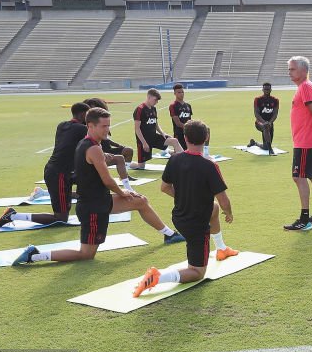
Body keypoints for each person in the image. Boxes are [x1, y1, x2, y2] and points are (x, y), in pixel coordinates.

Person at [12, 107, 185, 266]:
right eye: (103, 126)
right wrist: (122, 192)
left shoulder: (91, 144)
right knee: (86, 254)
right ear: (90, 126)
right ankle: (34, 255)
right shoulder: (93, 148)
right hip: (93, 208)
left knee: (141, 201)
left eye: (108, 125)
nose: (107, 130)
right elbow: (107, 180)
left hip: (100, 201)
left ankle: (170, 235)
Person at [133, 120, 238, 297]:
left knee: (213, 208)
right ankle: (158, 277)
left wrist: (185, 198)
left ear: (184, 138)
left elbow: (164, 187)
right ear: (207, 138)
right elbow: (224, 200)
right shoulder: (209, 165)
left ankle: (221, 249)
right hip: (196, 224)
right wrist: (229, 213)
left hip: (179, 218)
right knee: (197, 272)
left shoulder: (174, 159)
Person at [0, 103, 89, 228]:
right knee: (61, 218)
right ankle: (13, 215)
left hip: (56, 171)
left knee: (86, 188)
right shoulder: (81, 129)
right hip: (60, 174)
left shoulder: (63, 125)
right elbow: (100, 142)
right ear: (83, 114)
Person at [284, 56, 312, 231]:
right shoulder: (305, 87)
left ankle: (305, 219)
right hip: (306, 140)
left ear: (304, 71)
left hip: (305, 141)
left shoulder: (305, 87)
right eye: (289, 69)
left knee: (298, 177)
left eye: (292, 69)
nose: (289, 72)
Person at [83, 97, 137, 186]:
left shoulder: (102, 121)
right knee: (119, 158)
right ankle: (126, 186)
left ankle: (125, 174)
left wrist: (118, 145)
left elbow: (106, 138)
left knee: (128, 150)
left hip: (107, 149)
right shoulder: (90, 125)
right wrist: (102, 153)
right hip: (97, 153)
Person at [132, 89, 183, 169]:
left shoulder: (153, 109)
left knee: (174, 141)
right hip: (144, 140)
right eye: (155, 100)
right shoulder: (140, 109)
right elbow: (137, 129)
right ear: (149, 97)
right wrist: (144, 143)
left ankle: (185, 161)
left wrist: (163, 133)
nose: (156, 102)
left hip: (154, 137)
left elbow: (155, 124)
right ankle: (127, 163)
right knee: (141, 166)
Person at [249, 82, 279, 154]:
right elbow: (256, 114)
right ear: (262, 89)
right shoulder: (258, 99)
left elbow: (275, 114)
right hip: (259, 122)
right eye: (265, 89)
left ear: (271, 90)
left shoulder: (275, 100)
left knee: (265, 147)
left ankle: (254, 143)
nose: (266, 91)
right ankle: (270, 150)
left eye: (268, 89)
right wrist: (264, 122)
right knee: (265, 127)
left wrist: (270, 122)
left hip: (269, 123)